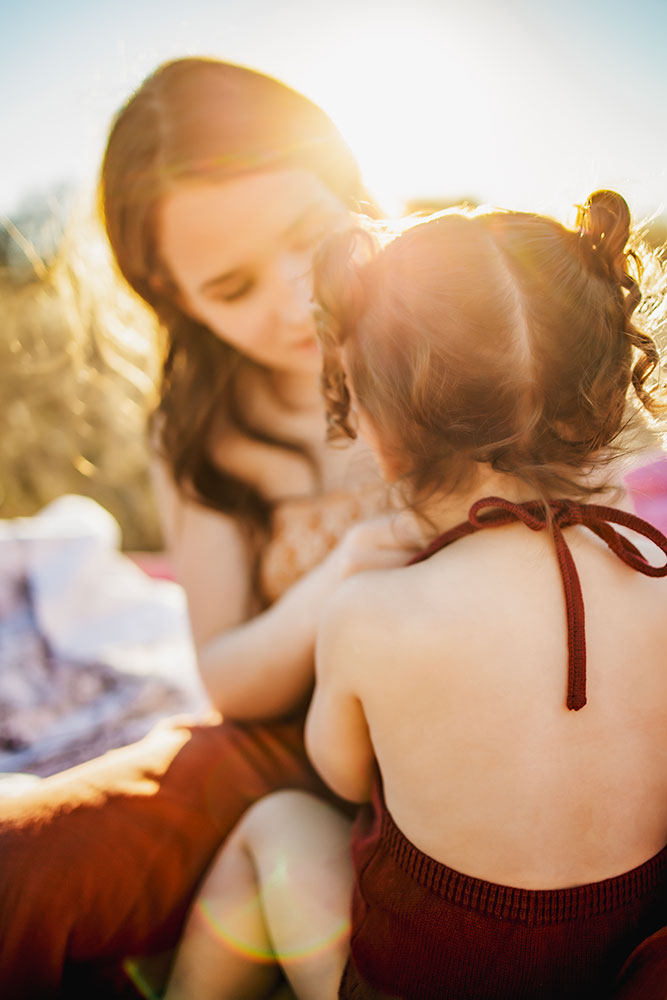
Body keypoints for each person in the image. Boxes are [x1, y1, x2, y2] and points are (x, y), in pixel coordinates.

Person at [163, 191, 667, 1000]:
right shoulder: (654, 581)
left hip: (417, 978)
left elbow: (340, 769)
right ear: (605, 396)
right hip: (610, 969)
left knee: (277, 827)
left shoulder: (369, 614)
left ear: (381, 432)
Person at [0, 58, 421, 999]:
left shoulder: (451, 342)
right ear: (174, 299)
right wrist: (344, 569)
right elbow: (227, 676)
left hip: (457, 732)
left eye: (308, 237)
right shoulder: (198, 428)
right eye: (230, 287)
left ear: (346, 182)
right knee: (20, 870)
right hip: (271, 741)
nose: (292, 295)